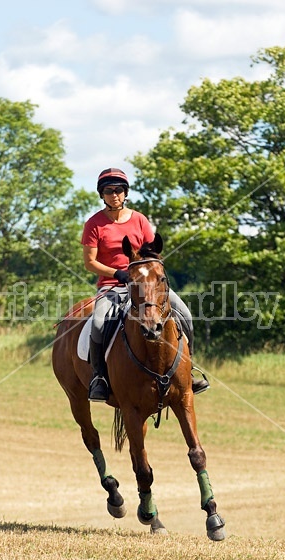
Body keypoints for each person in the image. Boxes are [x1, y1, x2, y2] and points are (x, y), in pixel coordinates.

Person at [81, 167, 209, 402]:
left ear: (125, 192)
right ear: (102, 194)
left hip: (147, 286)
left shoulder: (140, 220)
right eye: (109, 191)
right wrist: (118, 274)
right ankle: (99, 377)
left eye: (119, 190)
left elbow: (152, 254)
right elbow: (90, 262)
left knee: (185, 314)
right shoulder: (94, 224)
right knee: (99, 322)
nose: (114, 194)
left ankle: (189, 370)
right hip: (113, 286)